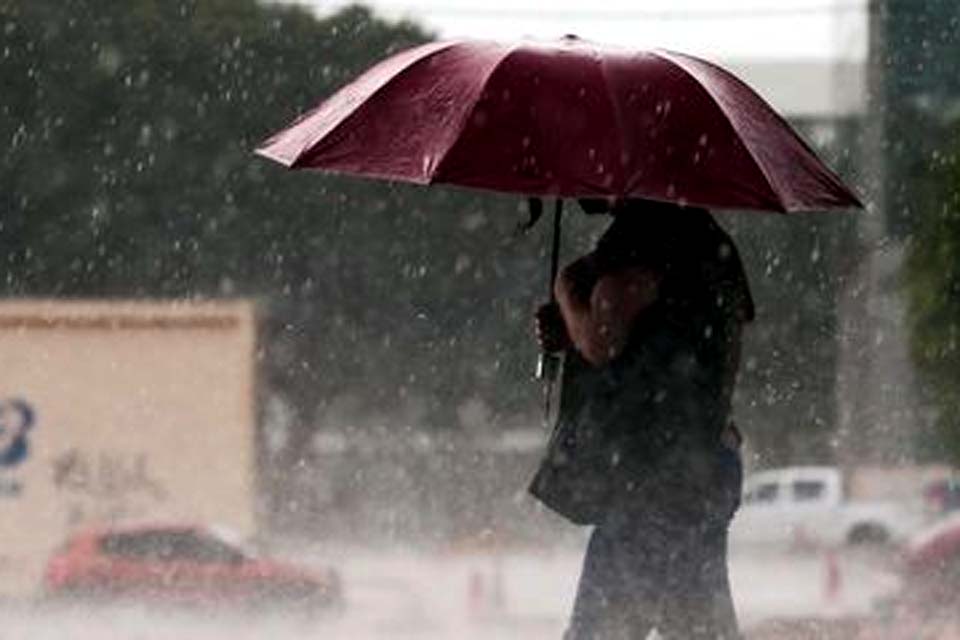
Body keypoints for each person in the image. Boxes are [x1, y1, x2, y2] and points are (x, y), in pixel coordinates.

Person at [529, 198, 754, 640]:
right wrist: (572, 328)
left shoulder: (648, 232)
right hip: (699, 466)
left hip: (654, 477)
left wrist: (567, 292)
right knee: (698, 628)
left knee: (602, 631)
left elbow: (602, 338)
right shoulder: (704, 238)